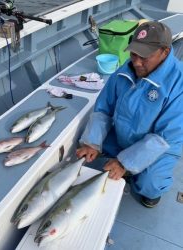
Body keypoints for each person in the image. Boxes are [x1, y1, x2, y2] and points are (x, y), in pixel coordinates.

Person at [76, 21, 183, 208]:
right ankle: (127, 160)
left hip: (161, 145)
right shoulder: (125, 70)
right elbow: (104, 108)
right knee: (86, 149)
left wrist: (124, 163)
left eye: (144, 56)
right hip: (123, 133)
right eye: (134, 54)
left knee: (150, 185)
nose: (137, 62)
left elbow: (164, 137)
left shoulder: (179, 83)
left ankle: (141, 173)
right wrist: (92, 142)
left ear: (165, 52)